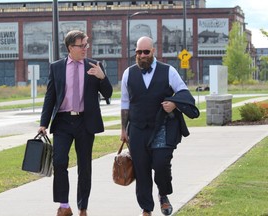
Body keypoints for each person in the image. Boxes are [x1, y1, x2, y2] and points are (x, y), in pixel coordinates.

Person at [120, 36, 199, 216]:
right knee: (141, 170)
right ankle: (146, 208)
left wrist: (175, 104)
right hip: (138, 129)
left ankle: (163, 194)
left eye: (146, 52)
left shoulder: (168, 71)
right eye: (138, 52)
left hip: (162, 128)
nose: (142, 55)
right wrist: (124, 129)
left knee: (161, 164)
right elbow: (125, 103)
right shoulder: (128, 74)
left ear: (153, 51)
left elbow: (184, 92)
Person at [38, 30, 113, 216]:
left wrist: (101, 76)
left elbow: (109, 93)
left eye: (87, 44)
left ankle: (83, 207)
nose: (86, 48)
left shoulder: (94, 65)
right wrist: (43, 123)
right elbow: (50, 97)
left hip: (85, 122)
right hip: (63, 122)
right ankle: (64, 206)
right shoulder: (56, 67)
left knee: (84, 166)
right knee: (59, 162)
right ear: (71, 47)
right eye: (82, 45)